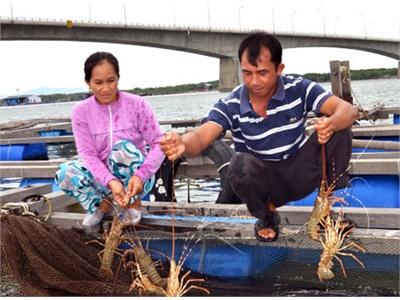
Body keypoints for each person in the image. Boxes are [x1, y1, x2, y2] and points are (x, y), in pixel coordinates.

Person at [160, 32, 358, 242]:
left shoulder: (298, 88)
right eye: (247, 73)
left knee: (341, 127)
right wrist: (182, 142)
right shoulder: (231, 103)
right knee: (238, 163)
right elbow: (201, 137)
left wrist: (331, 123)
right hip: (266, 185)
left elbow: (347, 110)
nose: (254, 81)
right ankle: (267, 216)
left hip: (301, 173)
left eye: (262, 73)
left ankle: (326, 211)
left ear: (279, 69)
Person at [55, 51, 165, 230]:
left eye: (111, 81)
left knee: (121, 150)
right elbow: (88, 154)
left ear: (118, 79)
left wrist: (140, 176)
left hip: (136, 180)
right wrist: (110, 181)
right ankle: (101, 205)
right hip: (103, 182)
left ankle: (133, 203)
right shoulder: (80, 112)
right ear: (88, 82)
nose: (106, 88)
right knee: (65, 173)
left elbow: (159, 142)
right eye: (98, 82)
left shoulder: (138, 104)